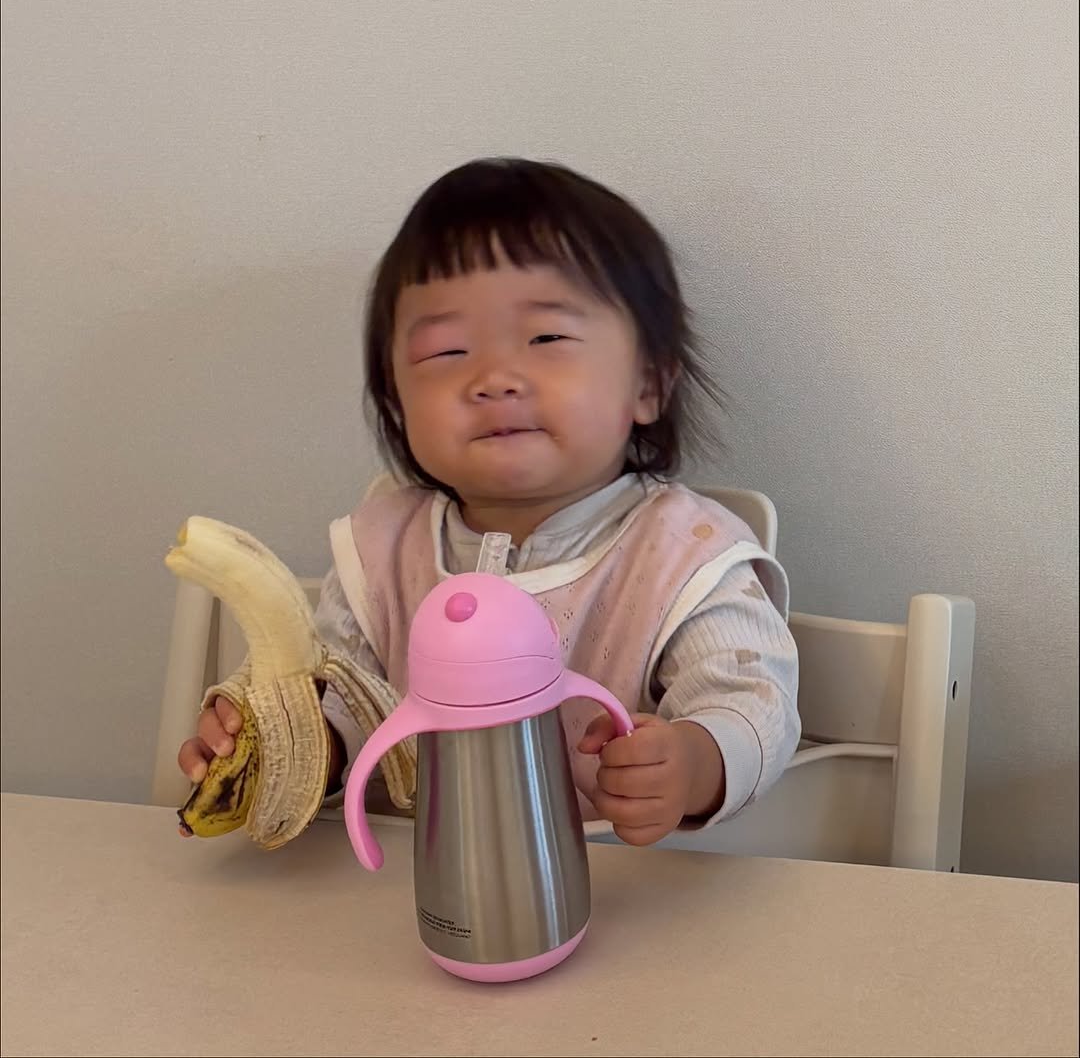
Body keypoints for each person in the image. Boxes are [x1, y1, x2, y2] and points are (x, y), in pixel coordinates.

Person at [178, 157, 800, 846]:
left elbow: (751, 702)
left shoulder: (685, 555)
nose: (495, 378)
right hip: (400, 896)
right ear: (396, 400)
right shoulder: (381, 547)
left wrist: (694, 762)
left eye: (547, 339)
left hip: (623, 899)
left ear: (648, 384)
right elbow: (348, 702)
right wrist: (293, 745)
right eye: (447, 351)